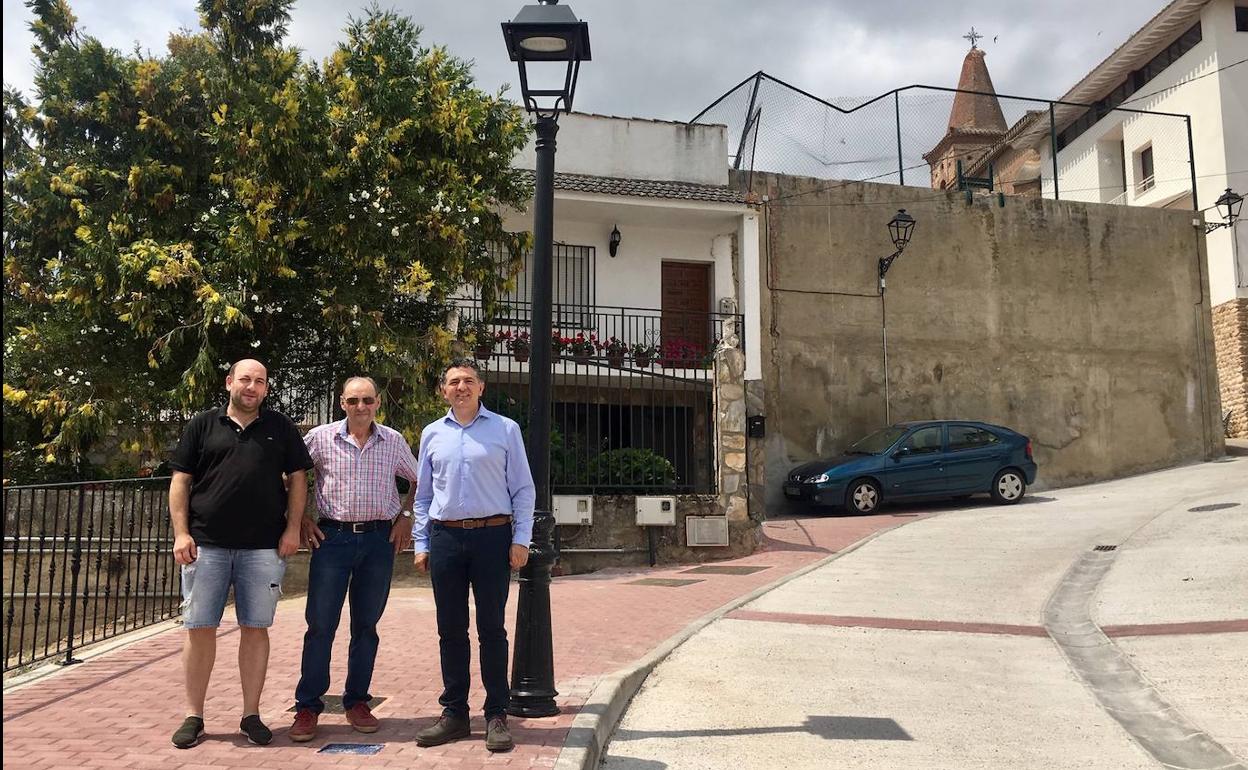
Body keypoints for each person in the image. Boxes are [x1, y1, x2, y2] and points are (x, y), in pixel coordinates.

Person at [168, 358, 313, 749]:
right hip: (206, 545)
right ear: (229, 381)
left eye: (260, 381)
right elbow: (181, 481)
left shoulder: (280, 427)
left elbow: (299, 480)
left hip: (263, 547)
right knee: (199, 628)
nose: (252, 386)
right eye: (245, 379)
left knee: (255, 628)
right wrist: (181, 533)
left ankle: (251, 714)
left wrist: (291, 529)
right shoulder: (202, 424)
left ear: (266, 389)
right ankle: (193, 715)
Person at [412, 359, 535, 753]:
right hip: (445, 538)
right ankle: (454, 714)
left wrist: (521, 539)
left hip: (492, 537)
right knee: (450, 629)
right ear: (443, 390)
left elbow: (523, 489)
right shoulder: (432, 434)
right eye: (453, 382)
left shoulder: (505, 429)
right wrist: (422, 543)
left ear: (481, 387)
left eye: (468, 381)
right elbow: (423, 497)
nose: (461, 387)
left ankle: (497, 714)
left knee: (492, 629)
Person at [288, 376, 419, 742]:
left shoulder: (392, 441)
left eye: (367, 400)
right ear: (342, 403)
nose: (361, 407)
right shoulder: (320, 437)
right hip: (332, 540)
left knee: (366, 626)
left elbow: (422, 479)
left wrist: (406, 518)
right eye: (353, 400)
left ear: (378, 403)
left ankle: (357, 700)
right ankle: (308, 706)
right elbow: (289, 476)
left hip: (378, 541)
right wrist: (300, 519)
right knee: (320, 626)